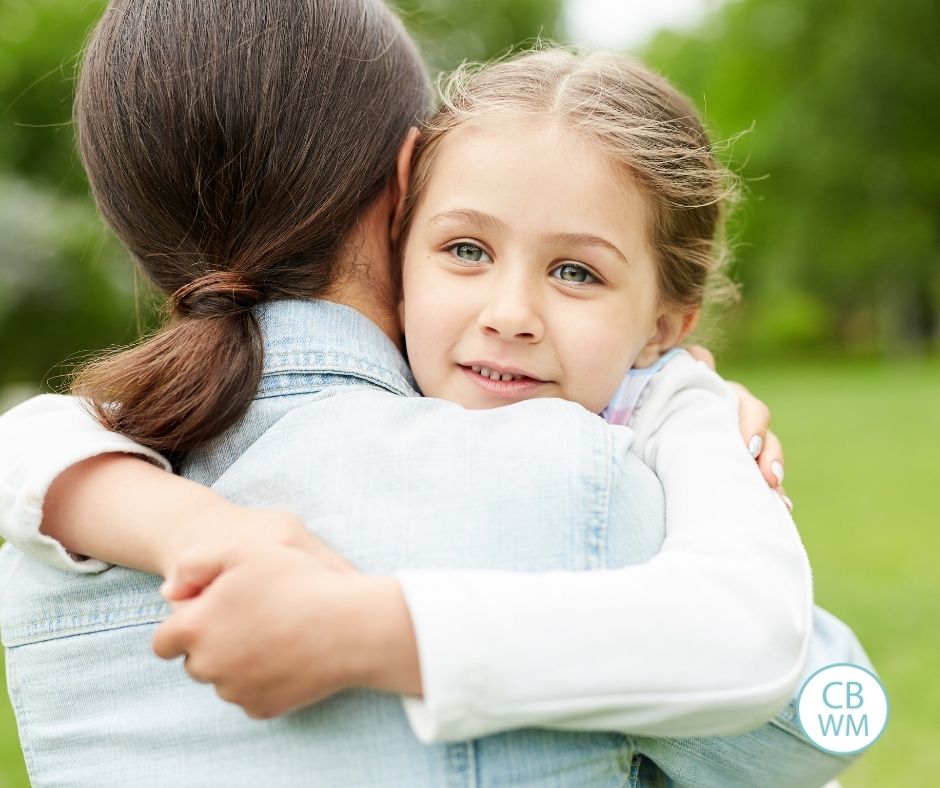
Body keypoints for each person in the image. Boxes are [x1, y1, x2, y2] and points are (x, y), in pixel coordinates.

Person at [0, 2, 869, 786]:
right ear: (405, 188)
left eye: (574, 272)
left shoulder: (60, 527)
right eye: (467, 250)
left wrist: (684, 411)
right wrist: (690, 418)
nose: (511, 314)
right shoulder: (592, 490)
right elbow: (828, 718)